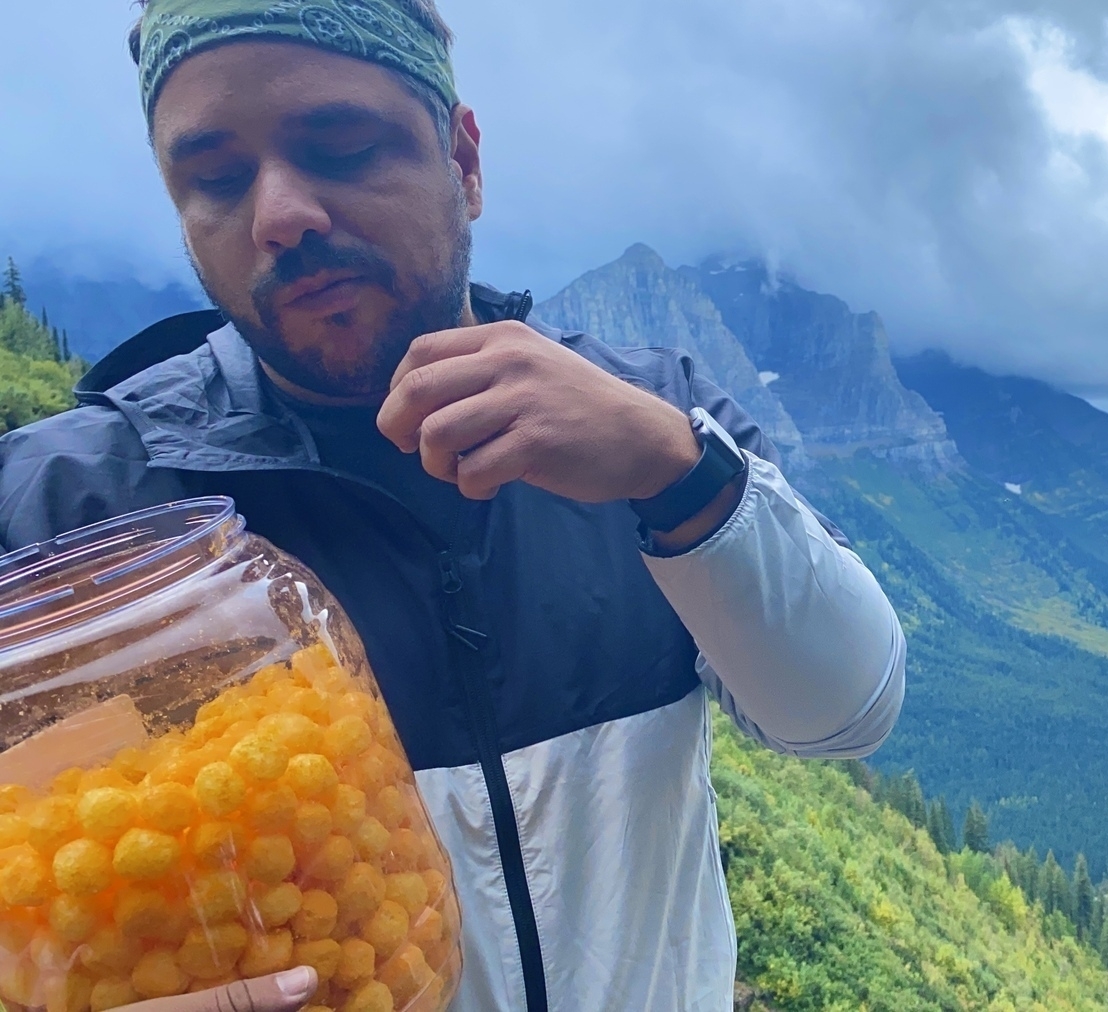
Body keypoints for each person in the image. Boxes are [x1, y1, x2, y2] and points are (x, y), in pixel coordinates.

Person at [0, 0, 907, 1008]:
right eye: (215, 179)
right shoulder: (64, 512)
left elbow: (841, 710)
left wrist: (675, 470)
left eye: (339, 147)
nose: (280, 215)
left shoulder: (652, 416)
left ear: (464, 163)